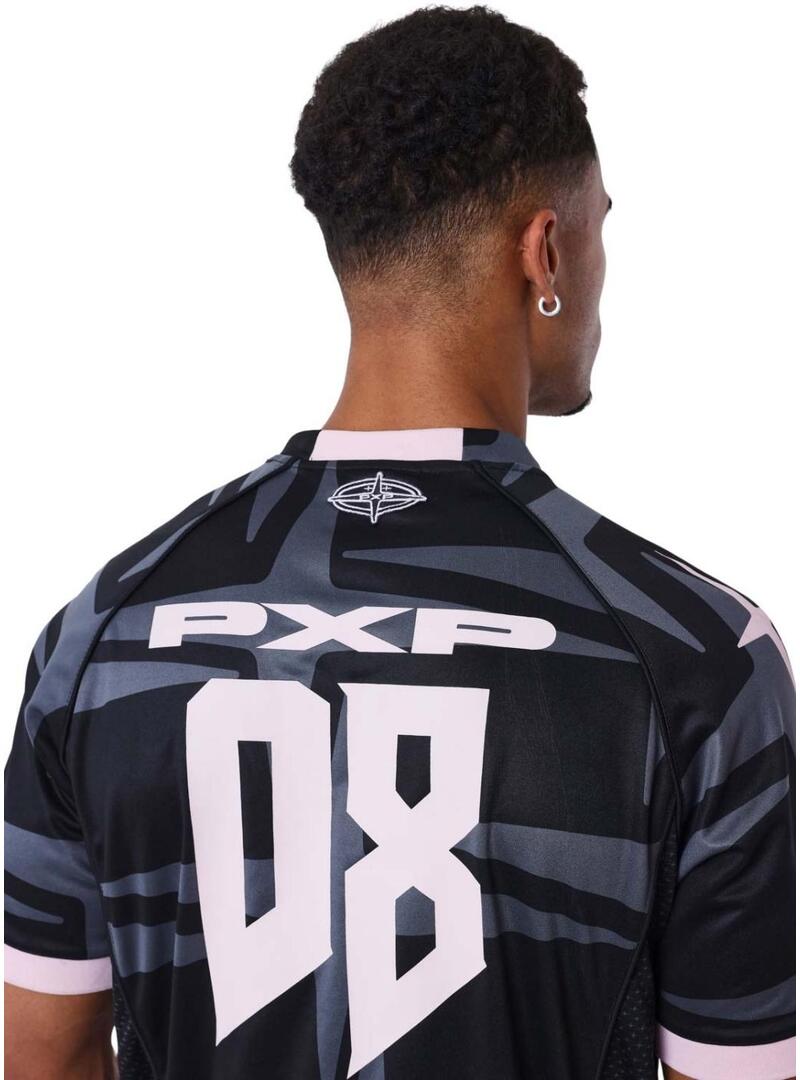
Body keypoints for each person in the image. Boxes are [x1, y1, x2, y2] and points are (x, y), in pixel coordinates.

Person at [4, 7, 794, 1079]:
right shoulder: (698, 656)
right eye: (599, 227)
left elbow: (45, 1059)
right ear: (545, 252)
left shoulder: (103, 633)